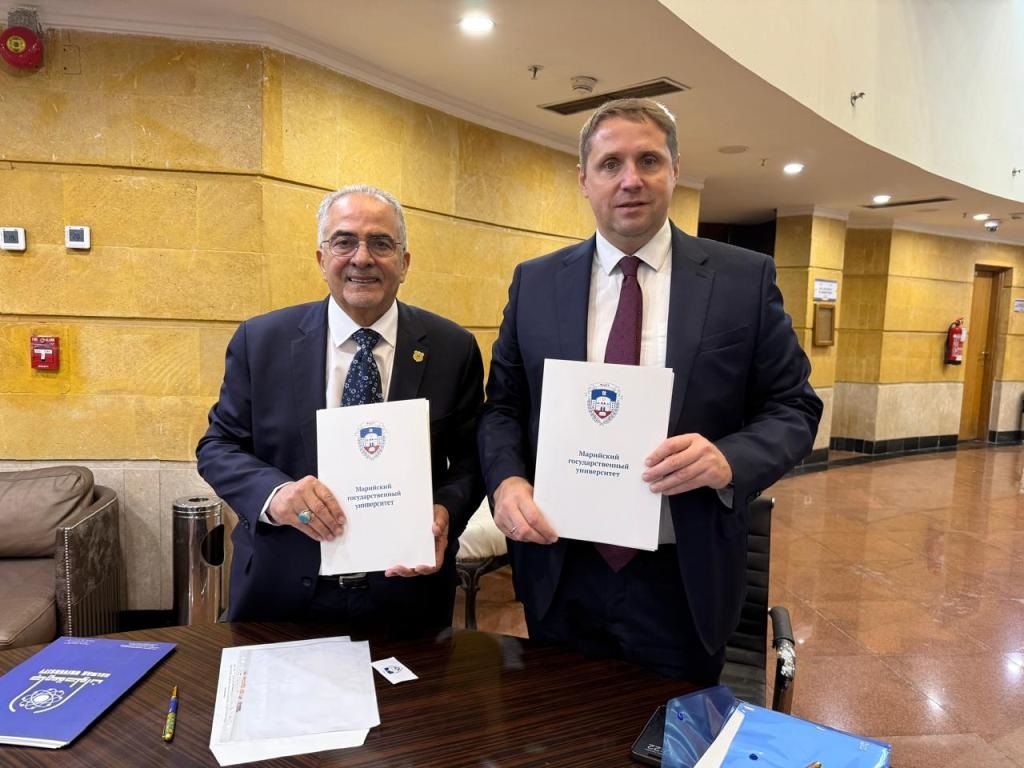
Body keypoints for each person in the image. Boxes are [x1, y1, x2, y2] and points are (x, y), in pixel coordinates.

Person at [478, 99, 822, 683]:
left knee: (676, 728)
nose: (630, 179)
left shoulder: (743, 279)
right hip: (561, 569)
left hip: (683, 574)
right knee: (560, 721)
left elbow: (795, 406)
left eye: (649, 160)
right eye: (610, 164)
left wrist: (728, 459)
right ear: (584, 179)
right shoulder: (535, 282)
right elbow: (503, 408)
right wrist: (507, 480)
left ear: (675, 170)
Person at [198, 184, 484, 636]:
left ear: (404, 262)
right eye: (344, 241)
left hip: (408, 596)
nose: (362, 258)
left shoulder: (453, 349)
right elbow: (218, 446)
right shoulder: (261, 341)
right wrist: (276, 495)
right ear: (321, 258)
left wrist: (446, 509)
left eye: (381, 243)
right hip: (281, 593)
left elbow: (471, 460)